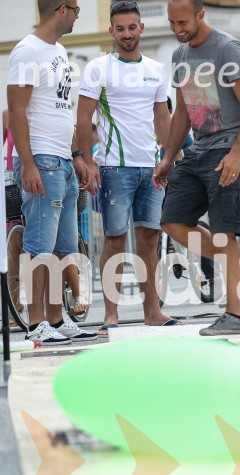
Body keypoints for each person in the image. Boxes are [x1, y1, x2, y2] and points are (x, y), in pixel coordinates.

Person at [153, 0, 240, 335]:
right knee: (171, 221)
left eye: (182, 22)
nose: (177, 29)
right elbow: (183, 112)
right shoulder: (180, 56)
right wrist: (168, 157)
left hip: (232, 148)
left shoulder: (228, 49)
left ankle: (235, 316)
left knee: (223, 231)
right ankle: (236, 264)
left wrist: (237, 153)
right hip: (199, 150)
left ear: (201, 14)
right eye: (172, 23)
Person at [75, 0, 179, 333]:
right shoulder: (98, 67)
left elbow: (162, 115)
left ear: (141, 28)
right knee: (115, 240)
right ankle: (111, 315)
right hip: (114, 168)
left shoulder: (156, 69)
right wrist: (87, 161)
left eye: (132, 27)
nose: (127, 34)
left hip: (150, 167)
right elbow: (82, 117)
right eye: (120, 29)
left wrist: (167, 157)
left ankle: (152, 311)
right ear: (112, 31)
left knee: (149, 238)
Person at [7, 0, 97, 345]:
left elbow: (63, 109)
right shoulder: (27, 51)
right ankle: (36, 322)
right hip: (41, 159)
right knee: (39, 247)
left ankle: (57, 319)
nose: (77, 15)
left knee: (62, 247)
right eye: (75, 9)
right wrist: (27, 163)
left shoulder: (58, 51)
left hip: (61, 159)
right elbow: (17, 110)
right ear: (61, 9)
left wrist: (77, 155)